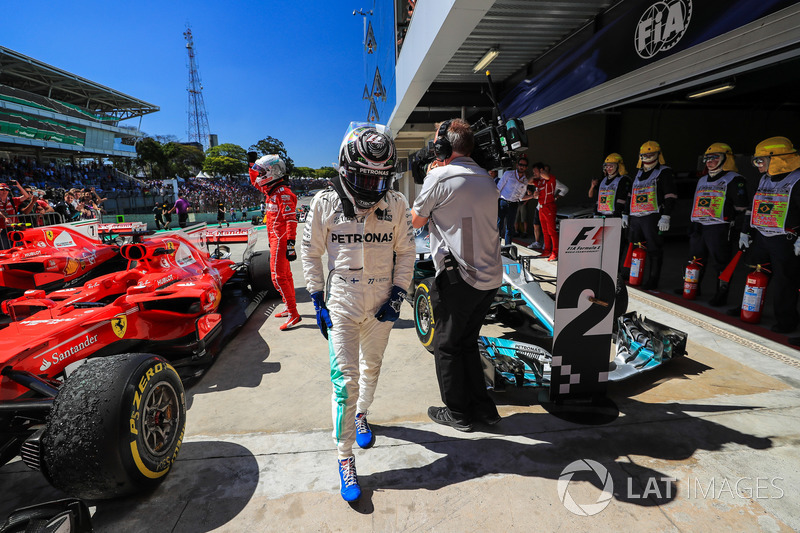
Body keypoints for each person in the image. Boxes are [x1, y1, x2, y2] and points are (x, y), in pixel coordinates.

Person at [301, 123, 415, 502]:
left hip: (383, 302)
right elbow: (310, 252)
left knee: (372, 369)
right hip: (342, 306)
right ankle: (344, 456)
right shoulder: (323, 203)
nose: (371, 187)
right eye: (363, 177)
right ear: (345, 169)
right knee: (344, 383)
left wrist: (398, 295)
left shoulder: (396, 203)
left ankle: (363, 413)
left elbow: (408, 252)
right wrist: (317, 299)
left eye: (378, 178)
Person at [410, 118, 503, 433]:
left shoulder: (439, 177)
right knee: (467, 344)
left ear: (443, 148)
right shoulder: (487, 178)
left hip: (459, 277)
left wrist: (432, 175)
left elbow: (415, 221)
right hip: (489, 279)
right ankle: (485, 411)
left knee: (447, 346)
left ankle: (458, 413)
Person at [738, 136, 800, 334]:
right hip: (762, 238)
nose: (757, 165)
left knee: (785, 282)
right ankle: (751, 311)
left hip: (786, 240)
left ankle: (786, 321)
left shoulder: (797, 180)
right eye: (756, 161)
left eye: (760, 160)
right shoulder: (764, 178)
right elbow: (752, 207)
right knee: (756, 274)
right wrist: (745, 231)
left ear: (778, 159)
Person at [679, 143, 748, 305]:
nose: (709, 161)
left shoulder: (734, 179)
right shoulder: (702, 179)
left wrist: (737, 227)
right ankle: (693, 287)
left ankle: (721, 293)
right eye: (707, 158)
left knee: (721, 262)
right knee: (695, 260)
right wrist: (693, 221)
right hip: (699, 226)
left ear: (726, 158)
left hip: (719, 227)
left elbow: (742, 207)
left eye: (714, 157)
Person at [250, 154, 301, 330]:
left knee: (277, 277)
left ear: (273, 171)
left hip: (281, 239)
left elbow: (291, 221)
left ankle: (294, 314)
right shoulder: (271, 190)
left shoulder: (284, 193)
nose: (259, 175)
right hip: (275, 239)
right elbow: (254, 182)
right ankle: (289, 307)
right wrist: (251, 165)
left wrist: (291, 245)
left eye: (263, 171)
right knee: (286, 276)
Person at [624, 141, 677, 289]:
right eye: (644, 155)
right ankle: (635, 275)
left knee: (654, 248)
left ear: (658, 155)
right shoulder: (639, 172)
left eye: (650, 154)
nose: (647, 157)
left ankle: (653, 279)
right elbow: (631, 194)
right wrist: (625, 213)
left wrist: (666, 215)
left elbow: (670, 195)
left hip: (652, 216)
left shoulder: (664, 172)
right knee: (636, 246)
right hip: (636, 216)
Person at [531, 162, 568, 261]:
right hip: (541, 207)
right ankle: (547, 251)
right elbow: (529, 181)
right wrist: (535, 194)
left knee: (552, 231)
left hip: (549, 206)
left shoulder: (551, 178)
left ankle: (555, 252)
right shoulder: (538, 182)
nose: (534, 173)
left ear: (541, 171)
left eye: (535, 171)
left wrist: (541, 172)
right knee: (545, 231)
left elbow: (564, 188)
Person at [496, 155, 535, 245]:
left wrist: (532, 196)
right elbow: (498, 188)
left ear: (526, 167)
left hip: (514, 204)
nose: (522, 167)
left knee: (510, 228)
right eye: (520, 164)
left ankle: (507, 248)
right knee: (499, 225)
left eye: (524, 166)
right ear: (517, 165)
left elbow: (521, 197)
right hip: (503, 202)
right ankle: (495, 247)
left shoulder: (525, 181)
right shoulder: (508, 174)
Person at [0, 181, 32, 249]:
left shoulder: (13, 200)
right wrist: (5, 217)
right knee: (5, 249)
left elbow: (26, 196)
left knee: (18, 248)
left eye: (7, 190)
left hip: (14, 228)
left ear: (9, 192)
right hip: (2, 230)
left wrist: (18, 185)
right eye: (2, 189)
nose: (4, 191)